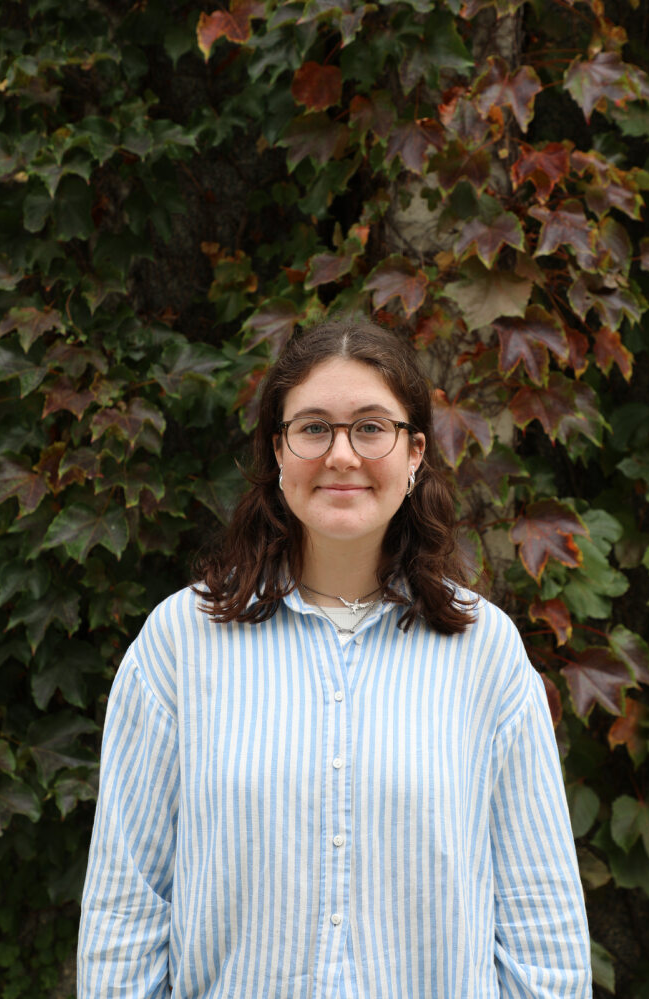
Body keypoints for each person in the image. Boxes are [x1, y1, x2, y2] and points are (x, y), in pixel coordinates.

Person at [77, 317, 592, 998]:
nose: (341, 454)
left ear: (413, 453)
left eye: (370, 427)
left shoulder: (484, 653)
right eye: (313, 427)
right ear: (277, 452)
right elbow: (126, 903)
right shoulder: (180, 643)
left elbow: (540, 918)